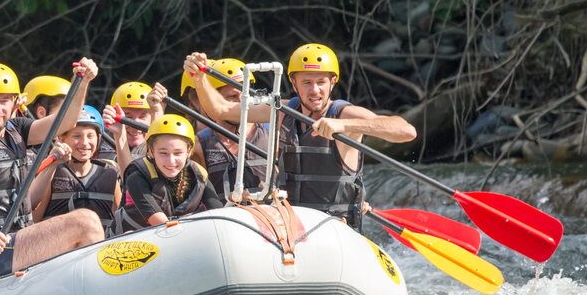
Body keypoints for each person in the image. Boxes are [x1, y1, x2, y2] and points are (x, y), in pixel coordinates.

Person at [183, 44, 416, 229]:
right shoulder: (283, 111)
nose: (315, 90)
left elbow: (406, 131)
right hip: (294, 228)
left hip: (338, 226)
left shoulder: (345, 113)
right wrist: (199, 77)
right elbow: (221, 110)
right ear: (294, 84)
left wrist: (343, 124)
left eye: (321, 82)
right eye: (307, 83)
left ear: (332, 82)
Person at [0, 60, 105, 281]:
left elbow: (64, 122)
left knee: (88, 222)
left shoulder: (16, 130)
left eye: (4, 101)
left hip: (20, 238)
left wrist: (82, 82)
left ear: (15, 101)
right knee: (86, 222)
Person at [180, 57, 270, 201]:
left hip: (268, 218)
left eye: (245, 94)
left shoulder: (272, 134)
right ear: (213, 98)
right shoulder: (199, 144)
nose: (242, 102)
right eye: (232, 96)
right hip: (226, 220)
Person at [119, 114, 223, 231]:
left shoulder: (199, 174)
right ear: (151, 151)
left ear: (188, 151)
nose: (171, 161)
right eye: (163, 153)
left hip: (178, 238)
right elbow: (160, 222)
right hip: (138, 242)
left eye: (178, 153)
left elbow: (218, 214)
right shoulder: (136, 177)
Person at [32, 105, 121, 233]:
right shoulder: (52, 173)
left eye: (90, 136)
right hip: (60, 248)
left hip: (98, 249)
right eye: (77, 136)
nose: (84, 143)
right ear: (62, 139)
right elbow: (34, 219)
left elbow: (120, 219)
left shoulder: (109, 173)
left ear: (98, 138)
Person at [101, 80, 167, 174]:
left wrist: (157, 113)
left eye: (143, 116)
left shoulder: (164, 144)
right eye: (128, 117)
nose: (135, 123)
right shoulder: (99, 138)